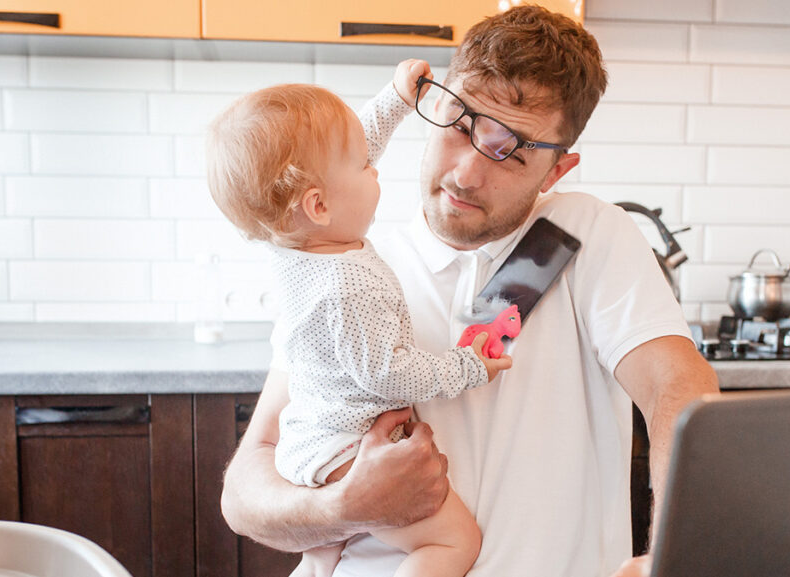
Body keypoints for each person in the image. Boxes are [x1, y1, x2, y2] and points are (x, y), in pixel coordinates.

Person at [220, 6, 719, 577]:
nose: (466, 174)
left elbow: (676, 388)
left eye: (511, 151)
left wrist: (672, 555)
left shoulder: (582, 235)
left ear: (556, 172)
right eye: (461, 125)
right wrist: (344, 505)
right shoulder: (345, 268)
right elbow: (245, 492)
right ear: (434, 103)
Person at [205, 61, 514, 577]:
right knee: (452, 543)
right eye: (363, 166)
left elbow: (354, 145)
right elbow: (387, 372)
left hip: (305, 441)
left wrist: (395, 99)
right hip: (346, 448)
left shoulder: (296, 245)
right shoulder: (351, 282)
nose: (375, 167)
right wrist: (467, 366)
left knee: (322, 553)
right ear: (320, 203)